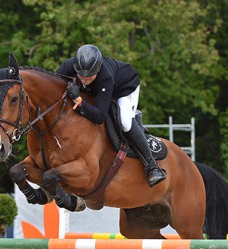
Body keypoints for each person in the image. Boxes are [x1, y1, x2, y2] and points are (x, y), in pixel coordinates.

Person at [56, 44, 166, 187]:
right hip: (99, 92)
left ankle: (152, 166)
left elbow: (100, 116)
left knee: (125, 122)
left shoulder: (105, 76)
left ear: (98, 69)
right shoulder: (68, 66)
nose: (84, 79)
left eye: (90, 76)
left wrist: (79, 101)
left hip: (124, 88)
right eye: (81, 75)